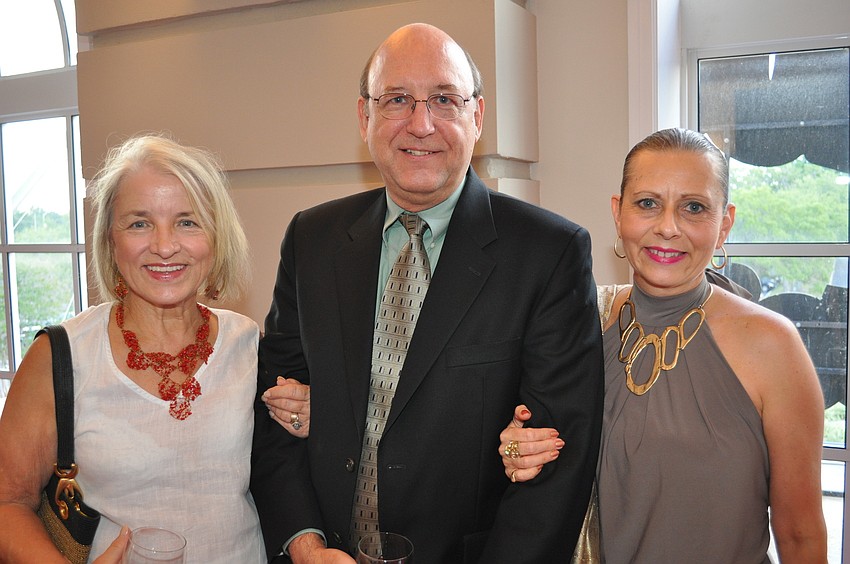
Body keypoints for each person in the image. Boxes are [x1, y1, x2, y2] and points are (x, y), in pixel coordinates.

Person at [250, 22, 604, 563]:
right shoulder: (311, 239)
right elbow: (273, 413)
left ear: (477, 116)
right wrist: (304, 543)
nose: (421, 124)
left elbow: (555, 465)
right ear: (365, 117)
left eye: (444, 99)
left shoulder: (549, 253)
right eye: (397, 100)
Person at [499, 128, 828, 563]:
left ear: (724, 223)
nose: (667, 228)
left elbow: (801, 535)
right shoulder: (579, 322)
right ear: (618, 213)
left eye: (693, 208)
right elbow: (526, 452)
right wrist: (515, 449)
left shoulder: (771, 345)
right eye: (648, 204)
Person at [0, 134, 268, 563]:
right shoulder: (60, 357)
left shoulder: (250, 344)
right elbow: (8, 503)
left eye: (187, 221)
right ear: (110, 238)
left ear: (216, 236)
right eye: (139, 223)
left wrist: (310, 413)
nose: (164, 246)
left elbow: (291, 469)